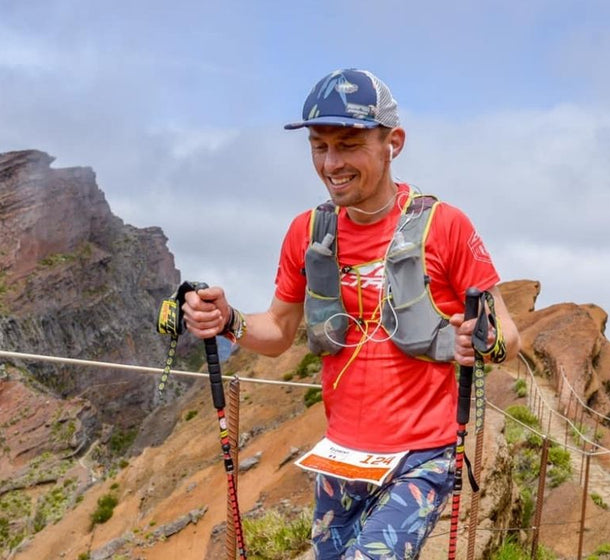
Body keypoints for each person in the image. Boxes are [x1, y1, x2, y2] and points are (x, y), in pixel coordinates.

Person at [181, 68, 521, 560]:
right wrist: (226, 318)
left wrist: (484, 340)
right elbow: (278, 330)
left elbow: (508, 334)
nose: (331, 162)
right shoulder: (308, 230)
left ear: (393, 142)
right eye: (319, 147)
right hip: (340, 459)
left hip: (421, 458)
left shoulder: (444, 226)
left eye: (348, 145)